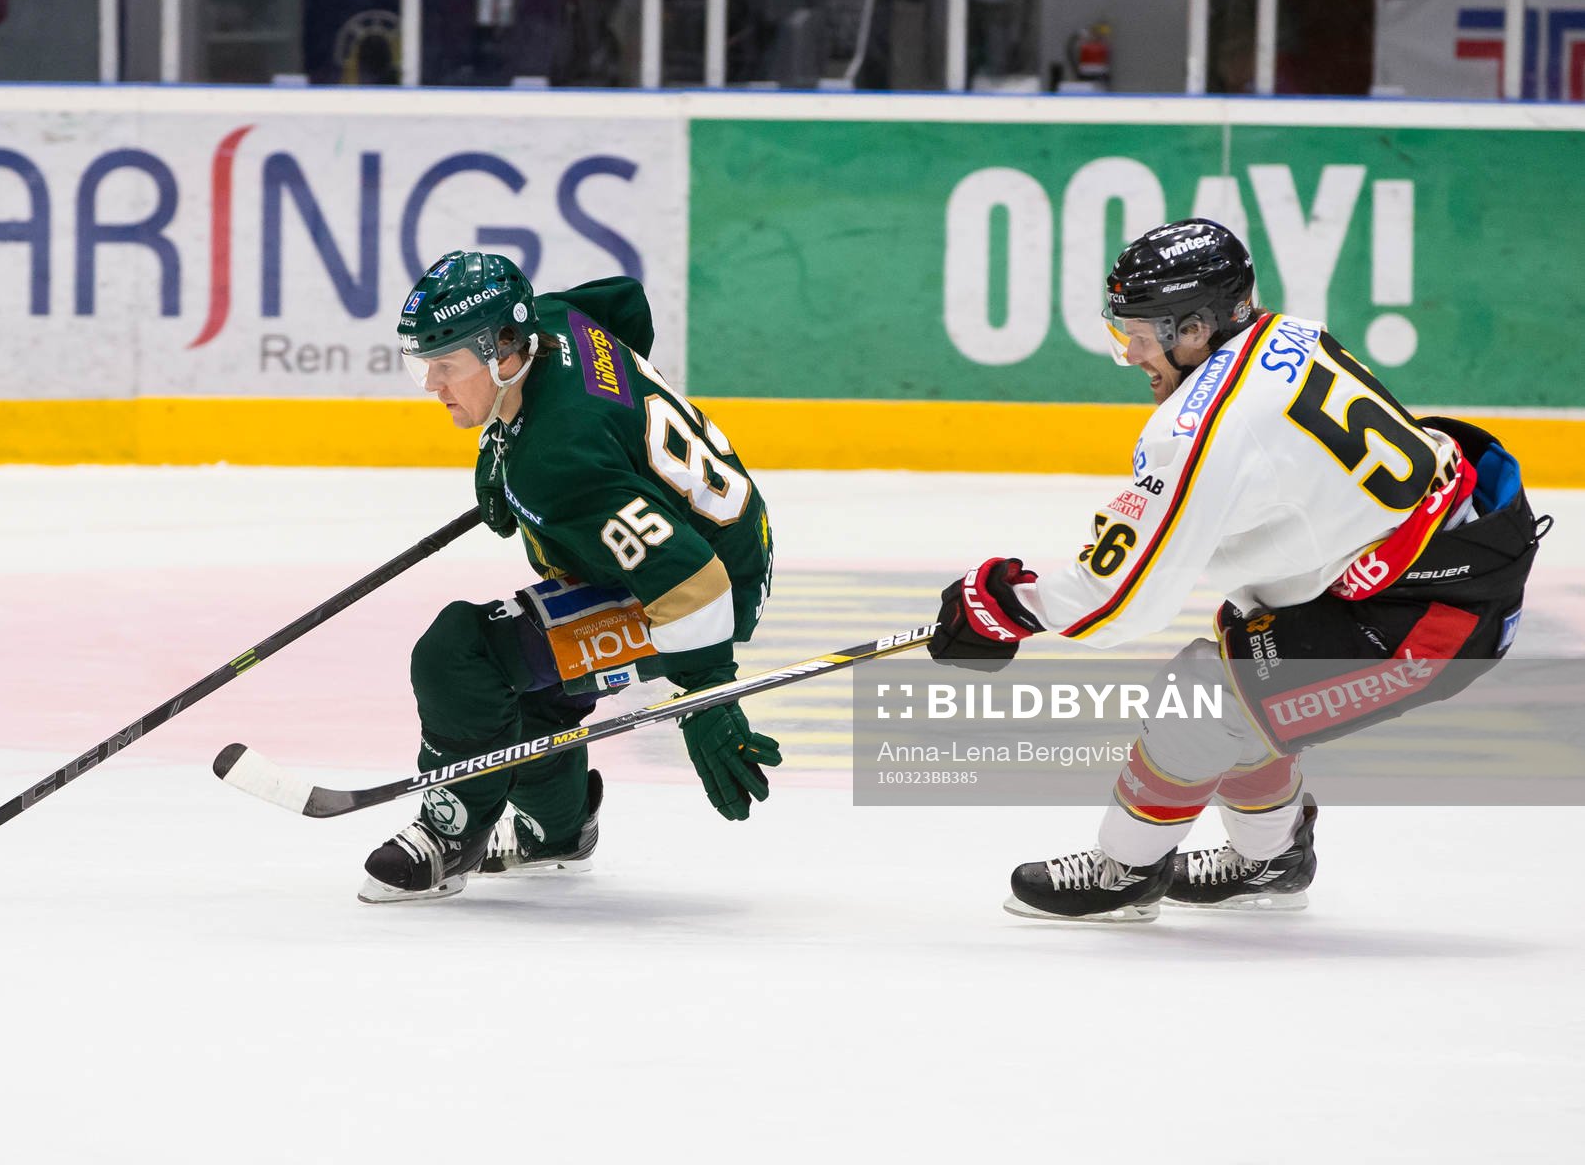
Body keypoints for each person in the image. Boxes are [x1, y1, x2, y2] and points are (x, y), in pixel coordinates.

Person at [928, 218, 1543, 922]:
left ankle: (1124, 871)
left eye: (1138, 332)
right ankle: (1272, 859)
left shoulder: (1203, 425)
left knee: (1201, 700)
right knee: (1241, 672)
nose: (1129, 354)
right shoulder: (1287, 333)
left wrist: (1005, 603)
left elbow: (1122, 602)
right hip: (1432, 568)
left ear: (1192, 330)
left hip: (1430, 621)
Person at [361, 251, 779, 903]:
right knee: (530, 677)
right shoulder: (554, 319)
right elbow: (624, 301)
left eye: (445, 366)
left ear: (503, 354)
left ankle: (452, 830)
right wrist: (565, 434)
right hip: (709, 530)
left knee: (461, 653)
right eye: (423, 364)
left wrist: (707, 701)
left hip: (709, 584)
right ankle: (554, 830)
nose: (431, 385)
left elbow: (690, 584)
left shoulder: (557, 465)